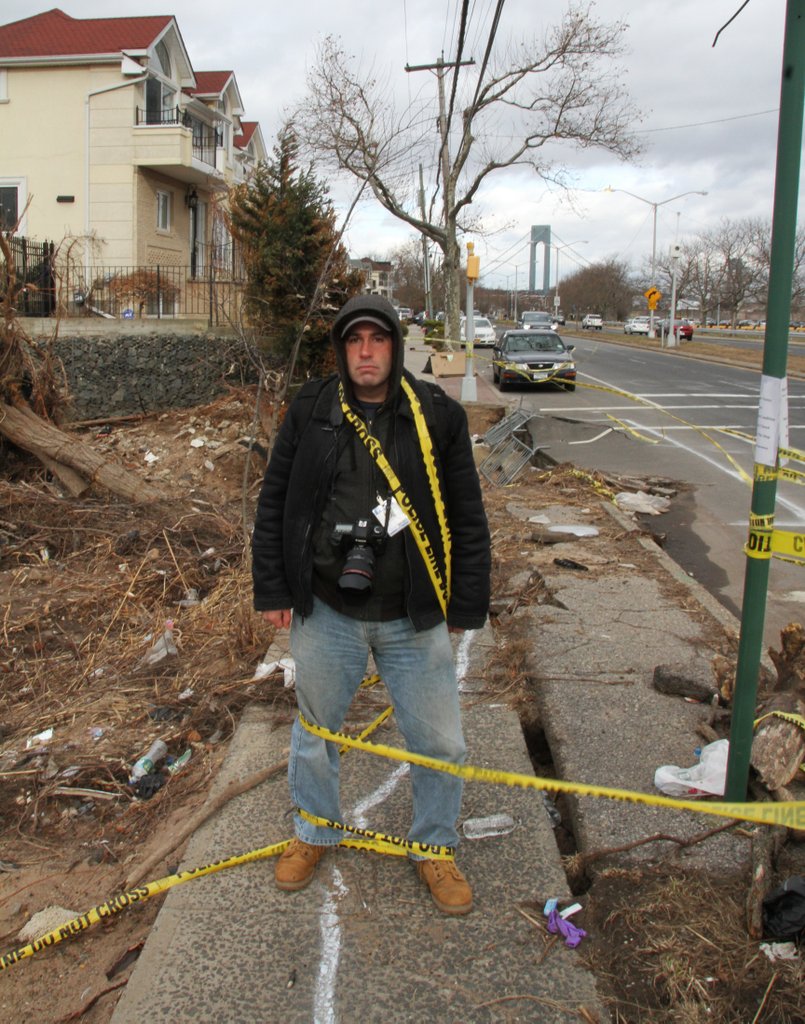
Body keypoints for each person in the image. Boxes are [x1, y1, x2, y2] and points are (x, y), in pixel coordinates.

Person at [252, 294, 490, 915]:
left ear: (395, 346)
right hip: (327, 607)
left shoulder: (436, 415)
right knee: (316, 731)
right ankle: (314, 832)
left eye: (377, 339)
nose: (365, 352)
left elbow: (467, 514)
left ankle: (434, 846)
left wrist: (467, 603)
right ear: (340, 349)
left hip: (413, 612)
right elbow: (275, 500)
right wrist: (273, 588)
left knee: (440, 742)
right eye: (354, 340)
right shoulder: (312, 409)